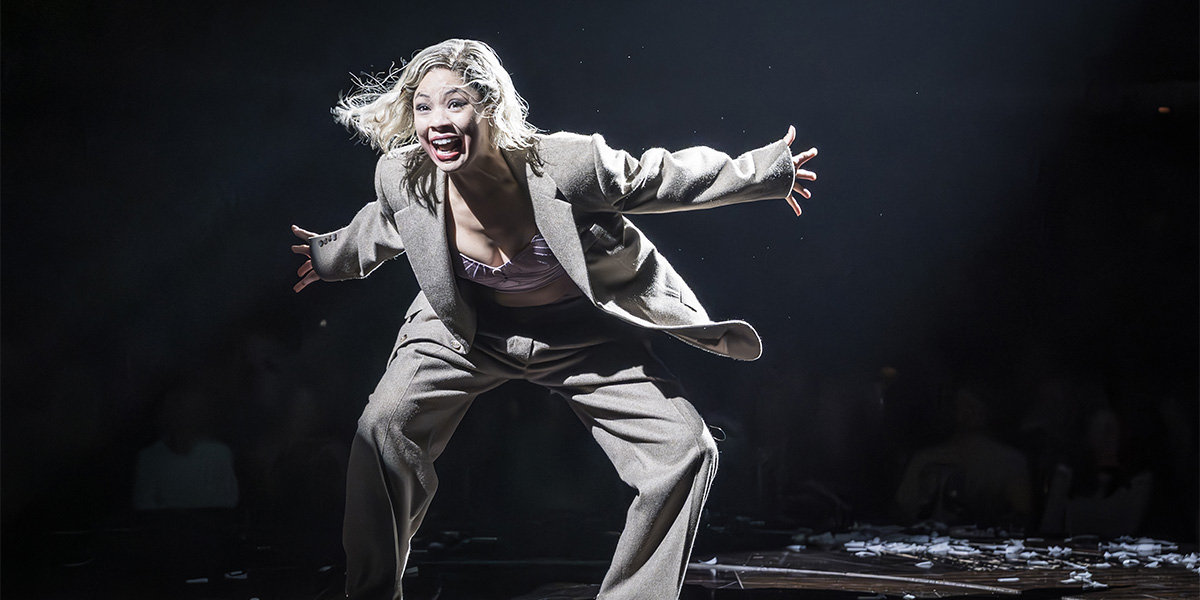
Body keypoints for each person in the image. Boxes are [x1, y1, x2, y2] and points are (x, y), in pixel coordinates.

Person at [291, 39, 818, 600]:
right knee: (382, 429)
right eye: (424, 107)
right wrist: (328, 257)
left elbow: (658, 176)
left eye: (456, 103)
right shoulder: (405, 177)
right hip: (466, 330)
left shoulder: (566, 164)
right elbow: (381, 224)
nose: (437, 121)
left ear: (490, 107)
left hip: (579, 335)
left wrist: (763, 173)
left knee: (687, 450)